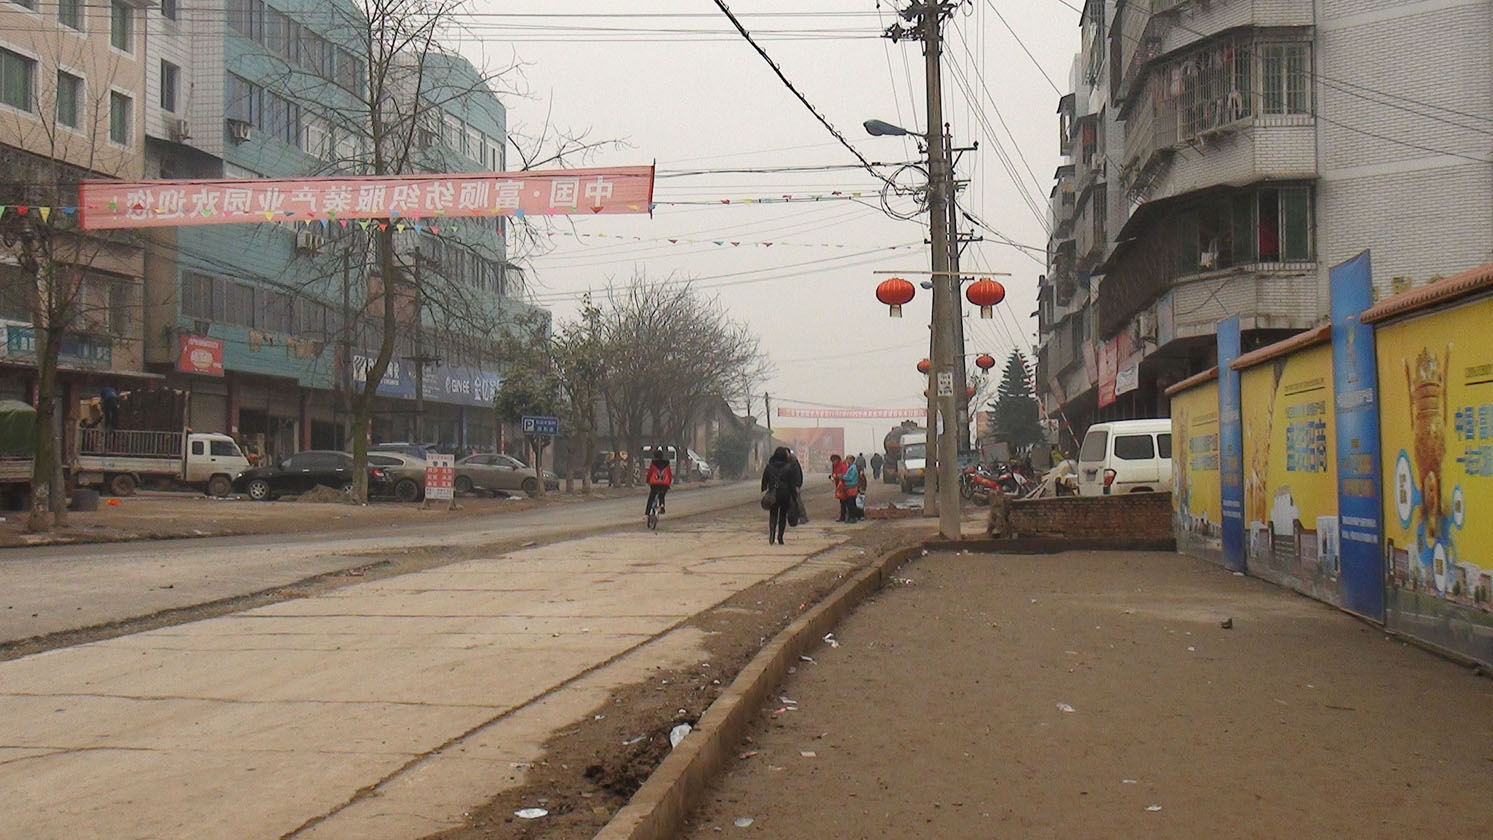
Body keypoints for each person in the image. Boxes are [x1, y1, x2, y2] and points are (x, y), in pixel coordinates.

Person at [761, 446, 803, 545]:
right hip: (785, 494)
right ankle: (780, 537)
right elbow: (792, 482)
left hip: (773, 493)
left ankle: (771, 535)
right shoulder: (788, 467)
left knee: (773, 514)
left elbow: (764, 480)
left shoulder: (769, 466)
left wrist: (765, 489)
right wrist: (794, 493)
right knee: (783, 515)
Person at [645, 447, 672, 517]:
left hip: (655, 484)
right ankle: (662, 506)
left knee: (651, 498)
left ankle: (647, 514)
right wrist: (669, 483)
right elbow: (669, 474)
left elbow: (650, 473)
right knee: (662, 495)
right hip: (664, 484)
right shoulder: (667, 463)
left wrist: (647, 480)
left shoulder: (653, 463)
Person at [840, 455, 861, 523]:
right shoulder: (851, 467)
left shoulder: (852, 468)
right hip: (850, 487)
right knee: (851, 503)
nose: (847, 461)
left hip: (852, 487)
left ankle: (853, 517)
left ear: (851, 460)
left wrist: (843, 477)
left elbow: (850, 477)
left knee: (851, 503)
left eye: (848, 459)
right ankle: (851, 517)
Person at [829, 454, 848, 521]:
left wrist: (837, 476)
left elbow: (845, 474)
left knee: (845, 501)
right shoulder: (834, 466)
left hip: (843, 486)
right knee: (841, 501)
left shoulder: (842, 465)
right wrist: (832, 477)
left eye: (834, 460)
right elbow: (833, 473)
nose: (833, 462)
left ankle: (844, 516)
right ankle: (843, 516)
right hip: (838, 486)